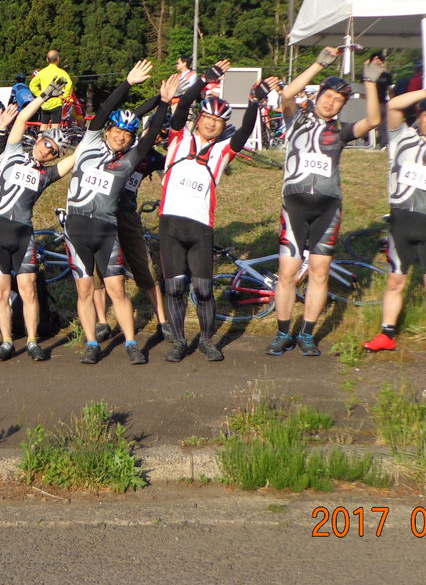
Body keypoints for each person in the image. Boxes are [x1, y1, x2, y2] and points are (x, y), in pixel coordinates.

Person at [158, 62, 281, 362]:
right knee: (174, 288)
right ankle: (178, 342)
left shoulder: (222, 150)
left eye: (219, 120)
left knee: (203, 289)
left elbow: (246, 130)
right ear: (199, 119)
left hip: (200, 227)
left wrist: (254, 102)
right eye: (208, 118)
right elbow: (182, 105)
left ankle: (206, 340)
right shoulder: (179, 138)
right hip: (170, 224)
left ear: (224, 125)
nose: (212, 124)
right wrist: (203, 80)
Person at [266, 47, 382, 357]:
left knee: (319, 273)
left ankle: (306, 334)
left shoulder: (341, 131)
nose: (330, 103)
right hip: (294, 207)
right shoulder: (296, 120)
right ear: (318, 96)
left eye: (338, 100)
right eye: (327, 96)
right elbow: (286, 94)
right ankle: (282, 333)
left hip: (328, 209)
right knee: (287, 274)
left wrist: (370, 81)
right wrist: (319, 64)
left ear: (343, 106)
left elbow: (373, 119)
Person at [66, 60, 170, 365]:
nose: (121, 136)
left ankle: (131, 343)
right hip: (76, 228)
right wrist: (128, 84)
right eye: (117, 130)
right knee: (85, 290)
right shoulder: (89, 142)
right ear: (108, 130)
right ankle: (91, 343)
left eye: (127, 133)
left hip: (106, 229)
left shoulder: (128, 160)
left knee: (118, 290)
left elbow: (150, 137)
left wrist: (164, 103)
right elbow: (103, 110)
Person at [362, 83, 426, 359]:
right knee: (395, 282)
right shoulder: (401, 136)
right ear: (419, 116)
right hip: (401, 221)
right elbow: (394, 105)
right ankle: (386, 335)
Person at [0, 81, 75, 361]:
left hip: (23, 234)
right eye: (47, 144)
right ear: (39, 139)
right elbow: (23, 117)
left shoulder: (46, 175)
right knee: (1, 293)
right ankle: (7, 341)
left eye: (54, 152)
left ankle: (33, 341)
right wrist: (44, 96)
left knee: (29, 291)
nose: (47, 151)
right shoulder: (13, 152)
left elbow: (79, 155)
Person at [29, 50, 73, 125]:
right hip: (56, 102)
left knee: (43, 125)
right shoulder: (62, 72)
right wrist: (64, 96)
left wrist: (41, 95)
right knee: (55, 126)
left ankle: (41, 133)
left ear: (47, 59)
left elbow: (32, 85)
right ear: (58, 59)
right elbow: (69, 84)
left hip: (44, 103)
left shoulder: (42, 72)